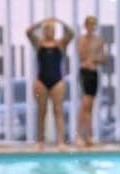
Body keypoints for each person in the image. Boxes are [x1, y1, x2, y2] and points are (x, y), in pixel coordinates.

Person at [26, 18, 75, 149]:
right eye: (47, 29)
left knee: (58, 111)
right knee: (41, 112)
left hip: (57, 81)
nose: (50, 32)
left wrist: (60, 21)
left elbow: (71, 33)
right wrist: (41, 22)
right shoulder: (39, 44)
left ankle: (61, 141)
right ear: (43, 31)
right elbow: (28, 32)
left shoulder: (60, 44)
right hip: (41, 81)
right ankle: (40, 141)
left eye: (52, 29)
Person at [77, 16, 106, 147]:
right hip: (85, 73)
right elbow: (82, 55)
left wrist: (94, 59)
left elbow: (103, 59)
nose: (91, 27)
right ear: (85, 25)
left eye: (93, 25)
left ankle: (88, 136)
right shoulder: (82, 39)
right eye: (89, 24)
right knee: (85, 105)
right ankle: (79, 135)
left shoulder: (99, 40)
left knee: (90, 106)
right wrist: (93, 57)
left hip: (94, 73)